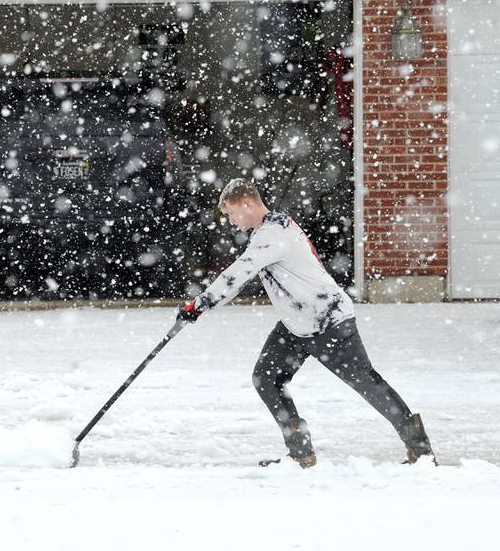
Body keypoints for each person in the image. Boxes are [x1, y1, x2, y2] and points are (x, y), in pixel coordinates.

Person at [177, 178, 435, 468]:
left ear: (247, 204)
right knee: (267, 379)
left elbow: (239, 273)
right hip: (297, 323)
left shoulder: (273, 234)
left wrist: (199, 305)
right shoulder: (270, 229)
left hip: (329, 320)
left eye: (232, 213)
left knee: (366, 382)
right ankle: (301, 454)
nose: (232, 221)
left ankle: (420, 450)